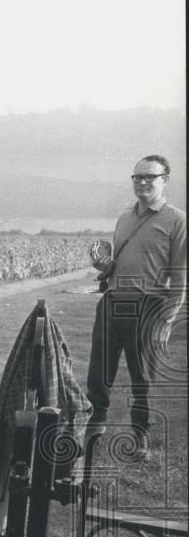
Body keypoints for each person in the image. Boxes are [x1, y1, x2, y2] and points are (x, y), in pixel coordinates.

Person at [87, 155, 186, 462]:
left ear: (164, 180)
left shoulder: (177, 220)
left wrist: (168, 319)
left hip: (149, 305)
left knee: (143, 378)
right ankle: (95, 425)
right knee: (99, 372)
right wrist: (104, 264)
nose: (142, 182)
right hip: (113, 301)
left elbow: (180, 274)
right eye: (137, 177)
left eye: (150, 177)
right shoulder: (124, 218)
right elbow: (119, 262)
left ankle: (139, 437)